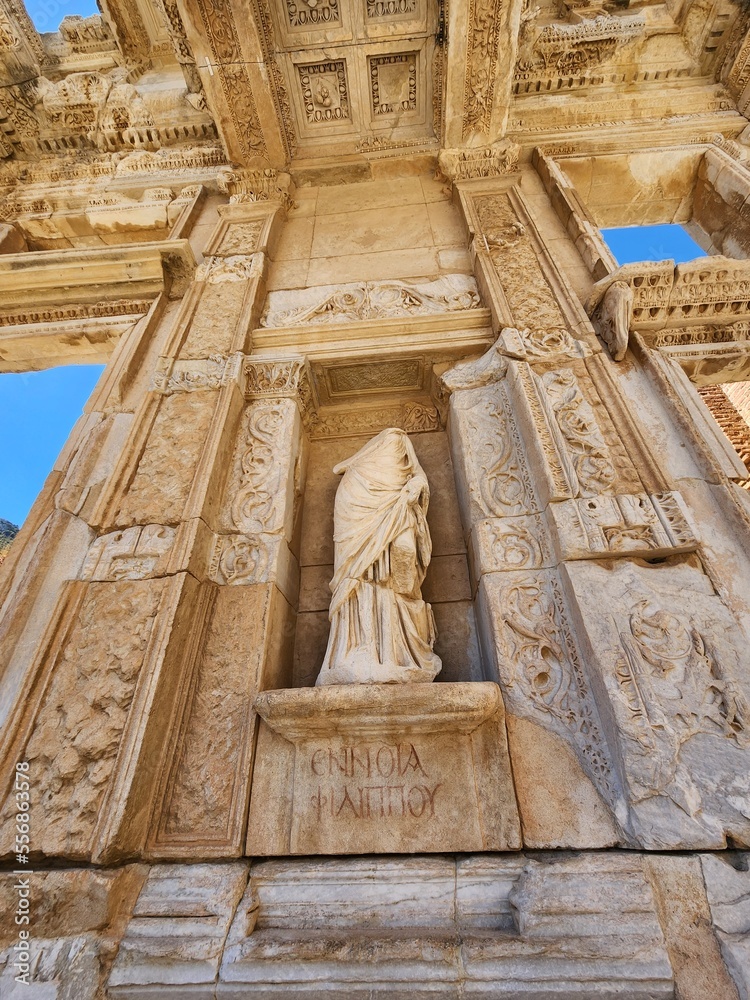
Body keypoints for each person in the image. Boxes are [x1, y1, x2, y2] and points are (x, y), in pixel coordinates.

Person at [315, 427, 442, 685]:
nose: (395, 453)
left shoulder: (401, 491)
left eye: (398, 453)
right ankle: (354, 651)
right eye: (391, 451)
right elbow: (347, 529)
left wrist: (417, 484)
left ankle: (397, 654)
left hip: (395, 568)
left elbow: (407, 554)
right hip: (356, 548)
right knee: (357, 581)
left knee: (397, 574)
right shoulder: (357, 479)